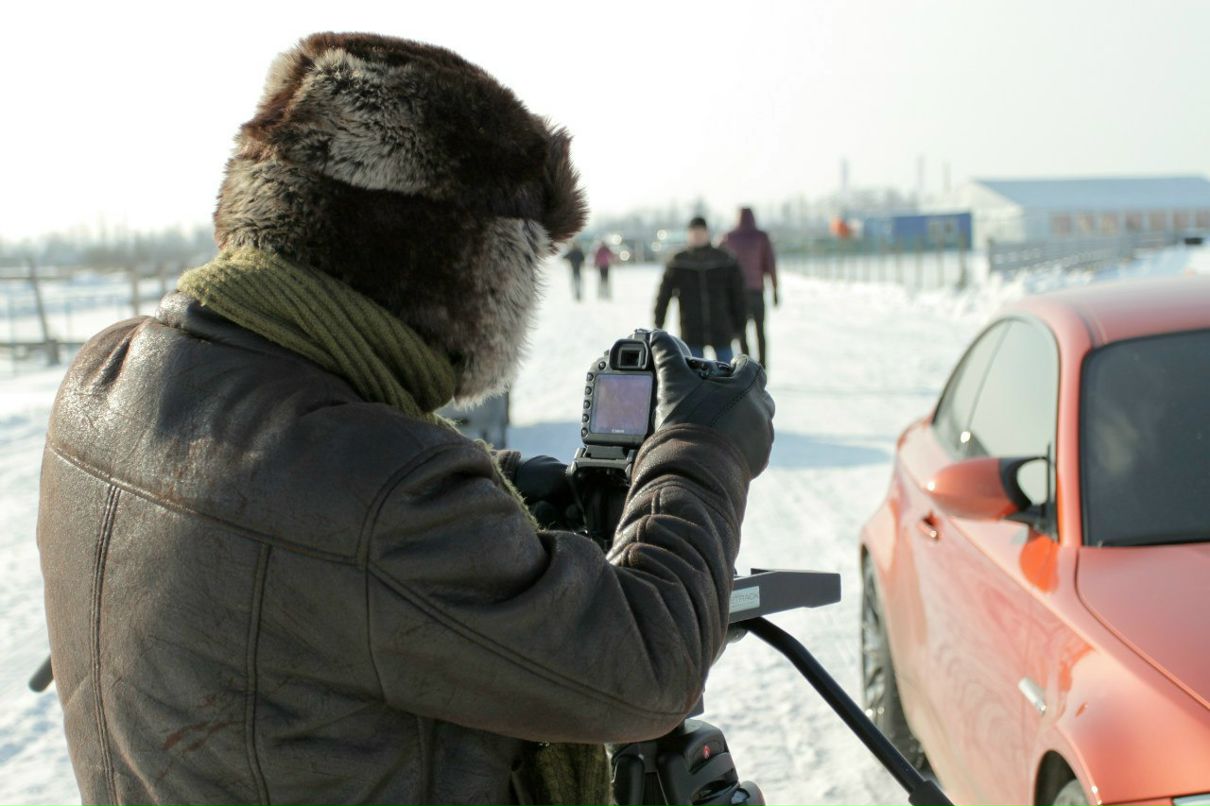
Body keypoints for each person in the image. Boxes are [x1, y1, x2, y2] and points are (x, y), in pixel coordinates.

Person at [36, 32, 775, 806]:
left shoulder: (105, 373)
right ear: (469, 277)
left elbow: (273, 530)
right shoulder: (379, 490)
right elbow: (646, 673)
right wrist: (702, 449)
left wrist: (491, 489)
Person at [654, 216, 748, 362]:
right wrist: (659, 321)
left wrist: (740, 323)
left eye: (700, 232)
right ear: (688, 234)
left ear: (707, 233)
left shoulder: (725, 259)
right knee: (693, 373)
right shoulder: (678, 261)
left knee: (726, 372)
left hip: (721, 327)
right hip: (691, 330)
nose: (697, 236)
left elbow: (738, 293)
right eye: (694, 233)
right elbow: (664, 294)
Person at [721, 207, 779, 370]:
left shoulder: (729, 237)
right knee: (760, 330)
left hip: (737, 294)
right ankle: (763, 366)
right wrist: (775, 290)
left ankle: (747, 366)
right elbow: (771, 265)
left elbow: (718, 260)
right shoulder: (761, 237)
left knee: (741, 331)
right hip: (756, 292)